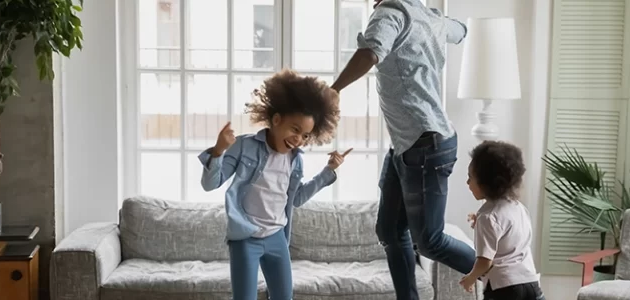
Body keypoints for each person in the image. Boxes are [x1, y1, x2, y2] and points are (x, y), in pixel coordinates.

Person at [330, 0, 471, 298]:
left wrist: (333, 90)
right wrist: (449, 26)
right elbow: (460, 31)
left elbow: (371, 52)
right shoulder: (427, 15)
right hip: (409, 145)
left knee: (429, 241)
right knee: (390, 232)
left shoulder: (389, 14)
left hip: (425, 144)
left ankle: (506, 275)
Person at [198, 69, 349, 300]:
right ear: (276, 120)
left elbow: (296, 198)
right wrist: (218, 151)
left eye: (305, 135)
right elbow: (210, 184)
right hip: (245, 238)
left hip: (277, 237)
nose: (299, 139)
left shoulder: (295, 159)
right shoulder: (244, 146)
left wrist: (328, 172)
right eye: (295, 129)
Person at [459, 141, 544, 300]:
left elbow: (485, 262)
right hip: (531, 283)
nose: (467, 183)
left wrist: (470, 278)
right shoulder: (518, 208)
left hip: (504, 288)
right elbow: (509, 234)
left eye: (470, 178)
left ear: (487, 183)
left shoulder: (487, 216)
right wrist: (480, 221)